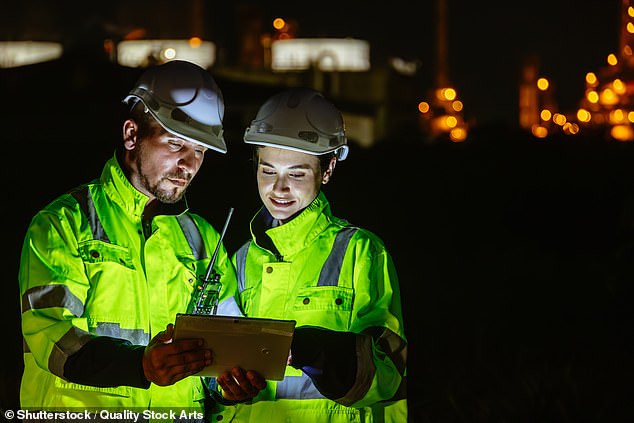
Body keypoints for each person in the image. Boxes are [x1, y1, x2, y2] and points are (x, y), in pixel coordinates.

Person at [18, 60, 265, 420]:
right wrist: (140, 366)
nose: (189, 164)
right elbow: (50, 337)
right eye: (176, 143)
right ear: (132, 134)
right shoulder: (63, 224)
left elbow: (225, 347)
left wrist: (228, 385)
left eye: (200, 151)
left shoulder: (202, 239)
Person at [208, 87, 408, 422]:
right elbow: (214, 376)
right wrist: (225, 388)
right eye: (268, 170)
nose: (278, 188)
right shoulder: (238, 260)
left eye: (296, 173)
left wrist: (310, 349)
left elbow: (387, 378)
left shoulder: (360, 252)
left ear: (327, 169)